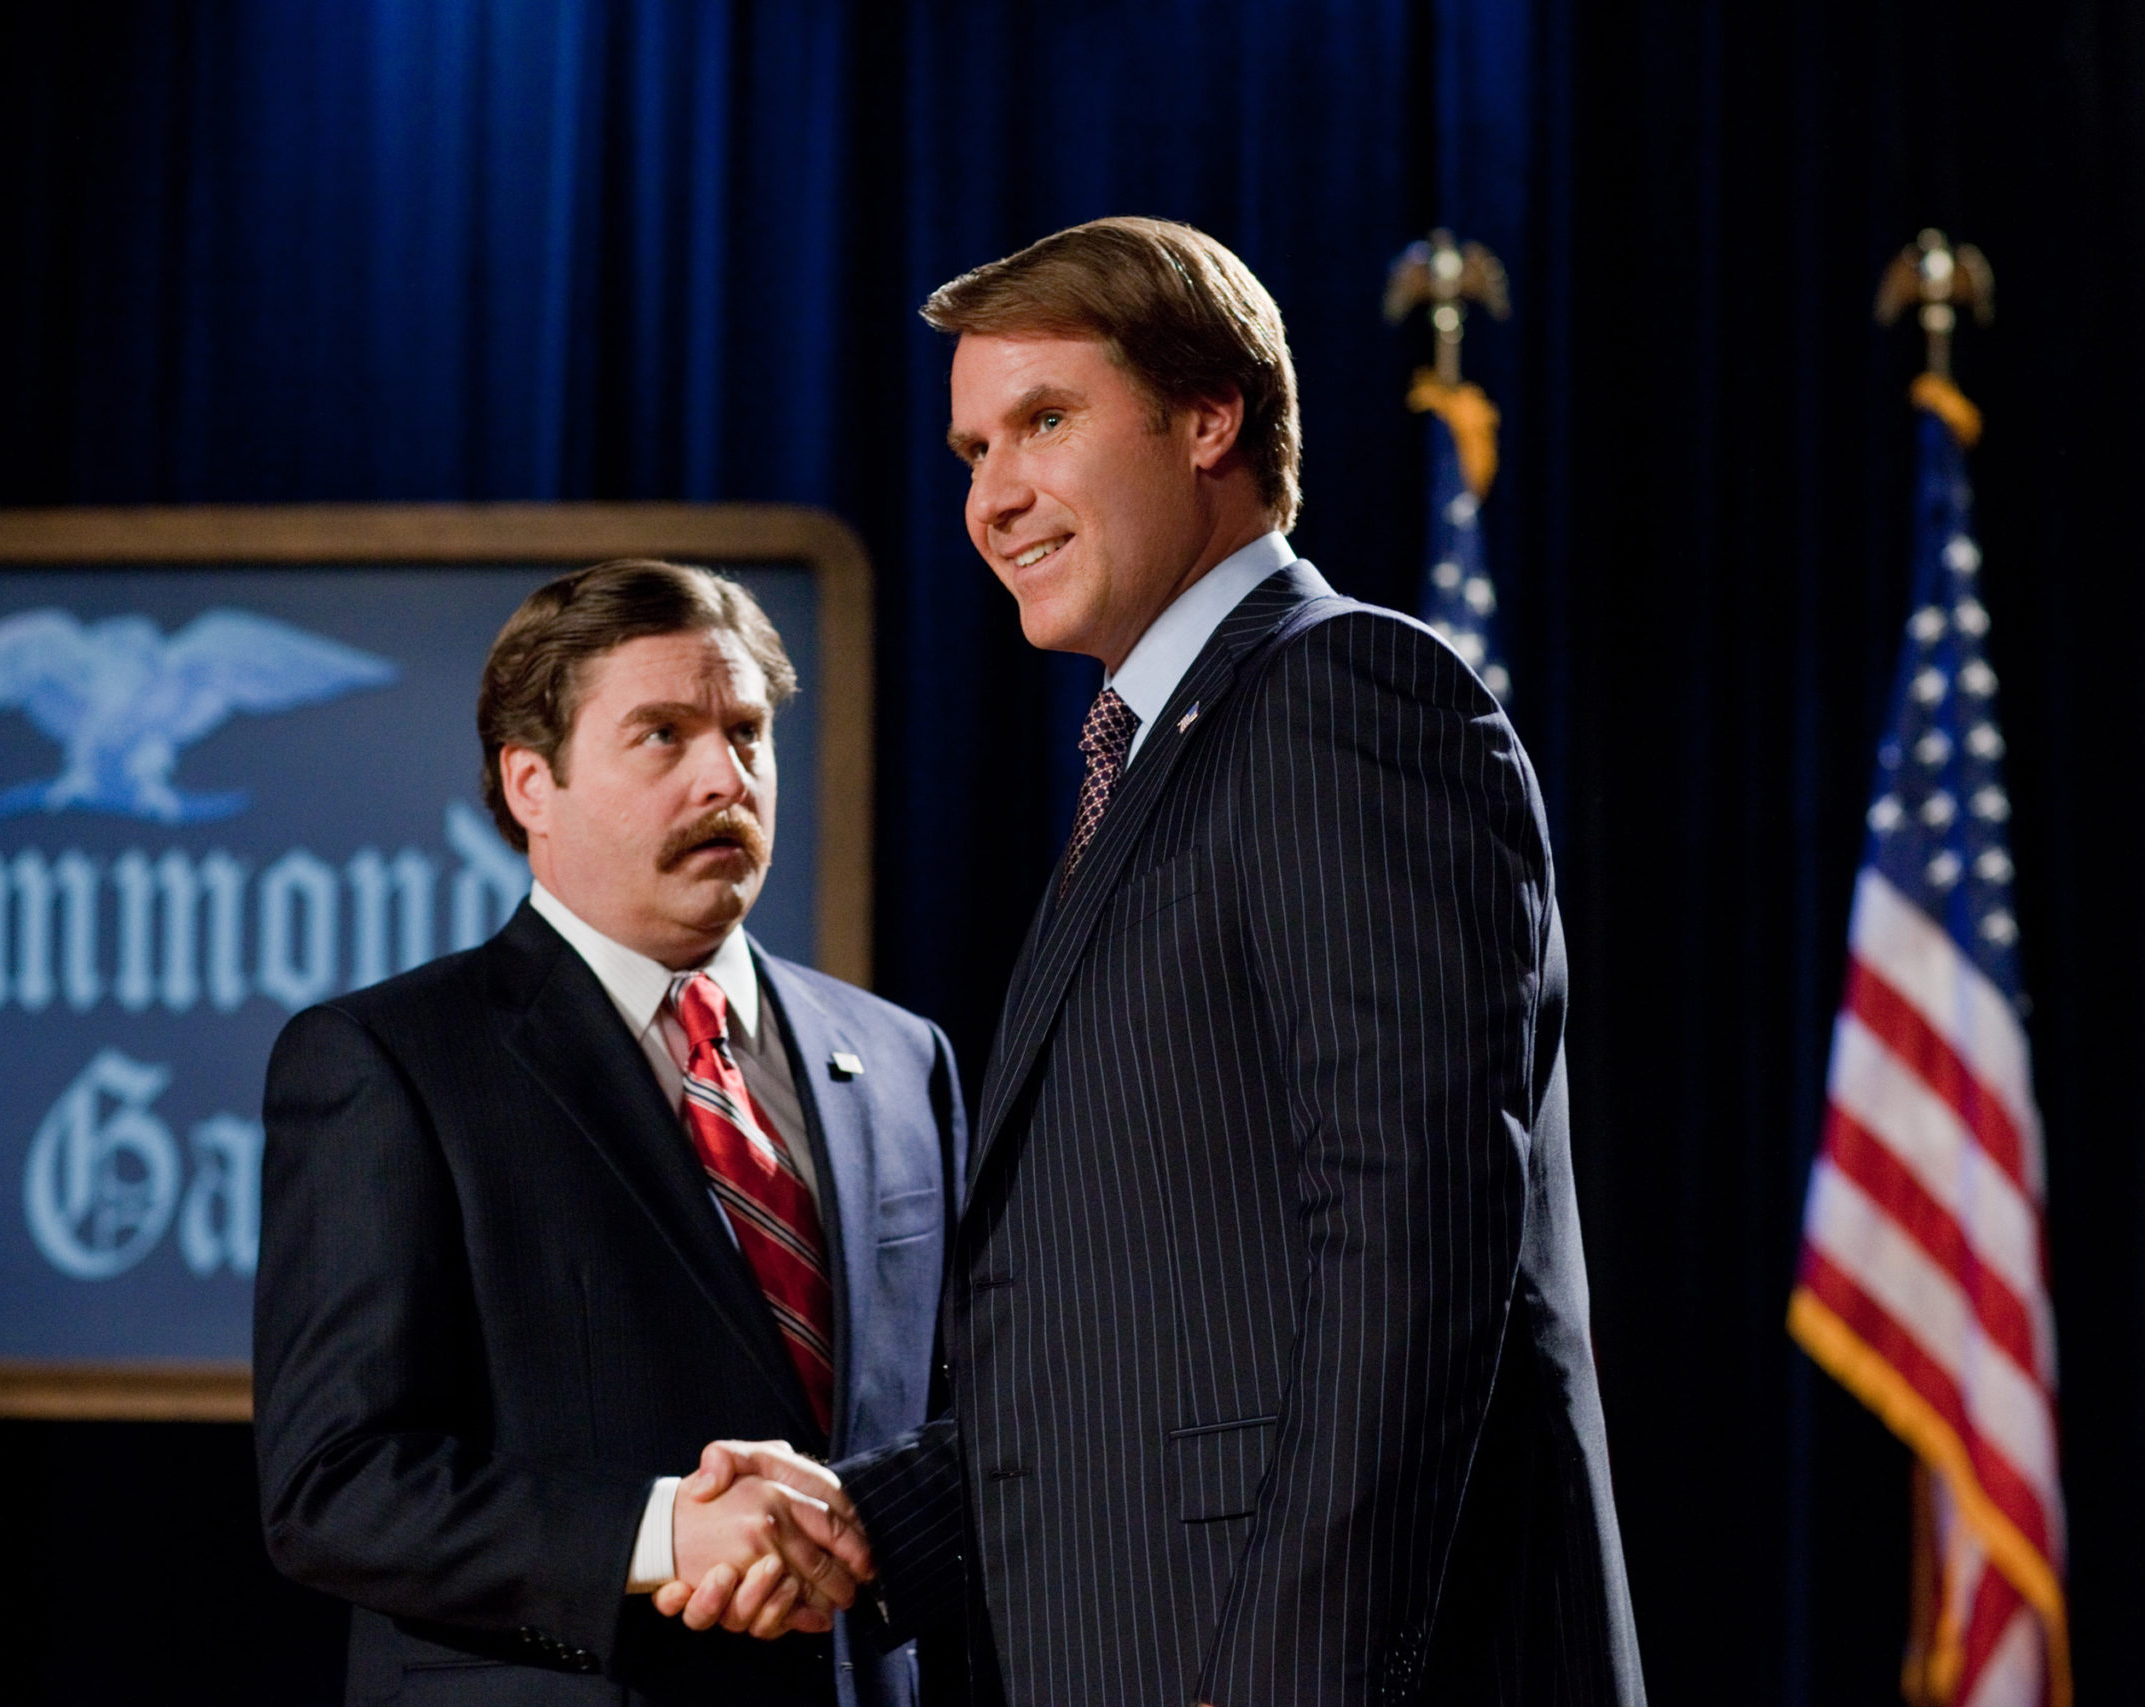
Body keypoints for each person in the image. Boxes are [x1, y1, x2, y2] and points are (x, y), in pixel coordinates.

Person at [683, 218, 1645, 1704]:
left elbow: (1415, 1252)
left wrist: (1285, 1679)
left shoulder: (1343, 695)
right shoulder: (1160, 754)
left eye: (1044, 422)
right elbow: (1163, 1337)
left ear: (1210, 419)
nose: (993, 496)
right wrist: (869, 1516)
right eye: (972, 450)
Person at [254, 560, 965, 1706]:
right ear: (531, 782)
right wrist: (664, 1532)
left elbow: (978, 1412)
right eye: (663, 734)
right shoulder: (390, 1062)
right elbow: (334, 1490)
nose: (725, 777)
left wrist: (863, 1523)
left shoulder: (900, 1059)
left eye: (746, 733)